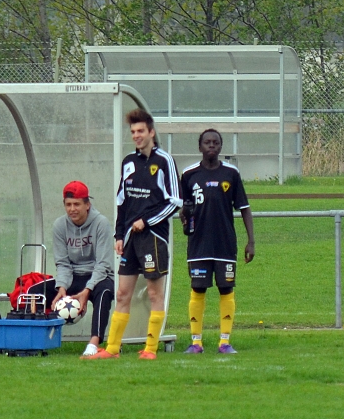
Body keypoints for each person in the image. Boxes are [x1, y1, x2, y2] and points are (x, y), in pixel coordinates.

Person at [85, 108, 180, 360]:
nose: (136, 136)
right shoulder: (129, 162)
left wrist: (146, 221)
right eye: (133, 132)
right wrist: (119, 235)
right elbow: (121, 201)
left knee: (153, 294)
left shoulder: (164, 161)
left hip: (154, 238)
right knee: (122, 293)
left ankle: (150, 349)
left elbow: (175, 202)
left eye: (140, 131)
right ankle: (113, 349)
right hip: (130, 239)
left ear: (151, 132)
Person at [179, 129, 255, 354]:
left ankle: (224, 342)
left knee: (226, 288)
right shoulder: (189, 174)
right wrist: (185, 216)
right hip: (198, 244)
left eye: (215, 143)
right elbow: (183, 208)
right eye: (207, 142)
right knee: (198, 289)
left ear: (221, 147)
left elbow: (244, 208)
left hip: (224, 244)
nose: (211, 146)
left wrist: (251, 241)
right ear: (199, 146)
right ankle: (196, 342)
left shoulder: (231, 173)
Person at [50, 181, 115, 358]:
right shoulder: (59, 226)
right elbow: (63, 263)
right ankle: (41, 340)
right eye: (68, 204)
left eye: (77, 204)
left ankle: (94, 343)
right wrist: (61, 288)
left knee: (104, 292)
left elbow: (103, 264)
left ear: (87, 204)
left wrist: (87, 290)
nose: (72, 209)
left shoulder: (101, 223)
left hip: (99, 275)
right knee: (42, 289)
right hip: (72, 275)